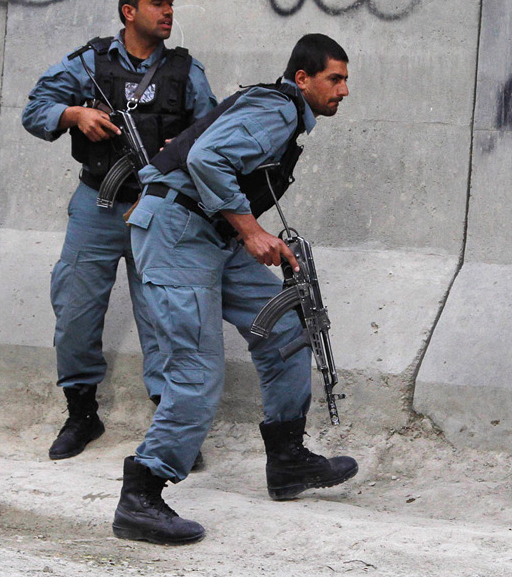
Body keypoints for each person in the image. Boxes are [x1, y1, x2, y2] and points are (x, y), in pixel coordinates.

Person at [112, 33, 359, 545]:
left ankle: (288, 461)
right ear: (302, 79)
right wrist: (252, 230)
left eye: (346, 80)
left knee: (286, 325)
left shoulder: (279, 111)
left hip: (209, 234)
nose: (344, 90)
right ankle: (141, 494)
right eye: (335, 79)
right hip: (179, 234)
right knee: (196, 371)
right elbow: (207, 159)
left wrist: (243, 231)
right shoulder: (280, 111)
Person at [22, 0, 217, 461]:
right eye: (157, 2)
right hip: (98, 202)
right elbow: (34, 109)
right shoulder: (87, 64)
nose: (169, 10)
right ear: (128, 11)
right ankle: (81, 413)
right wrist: (74, 114)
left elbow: (213, 134)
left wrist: (186, 146)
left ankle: (170, 428)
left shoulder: (186, 73)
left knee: (164, 318)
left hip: (159, 208)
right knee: (75, 308)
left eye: (171, 2)